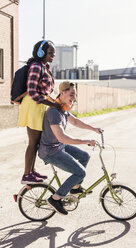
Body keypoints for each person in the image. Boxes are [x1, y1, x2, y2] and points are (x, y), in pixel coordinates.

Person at [38, 81, 101, 215]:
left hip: (58, 146)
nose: (74, 98)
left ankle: (75, 188)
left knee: (85, 156)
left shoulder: (63, 109)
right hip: (50, 151)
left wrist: (94, 129)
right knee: (80, 173)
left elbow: (76, 121)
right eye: (71, 94)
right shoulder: (54, 112)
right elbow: (62, 137)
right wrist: (86, 141)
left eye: (75, 95)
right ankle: (55, 199)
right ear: (62, 92)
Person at [18, 40, 59, 184]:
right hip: (34, 105)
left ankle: (32, 171)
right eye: (50, 53)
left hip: (40, 105)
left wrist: (55, 102)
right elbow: (33, 92)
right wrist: (53, 104)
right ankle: (26, 175)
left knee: (36, 142)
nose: (53, 56)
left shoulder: (44, 67)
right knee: (33, 142)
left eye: (54, 53)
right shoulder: (36, 66)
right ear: (41, 52)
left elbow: (45, 92)